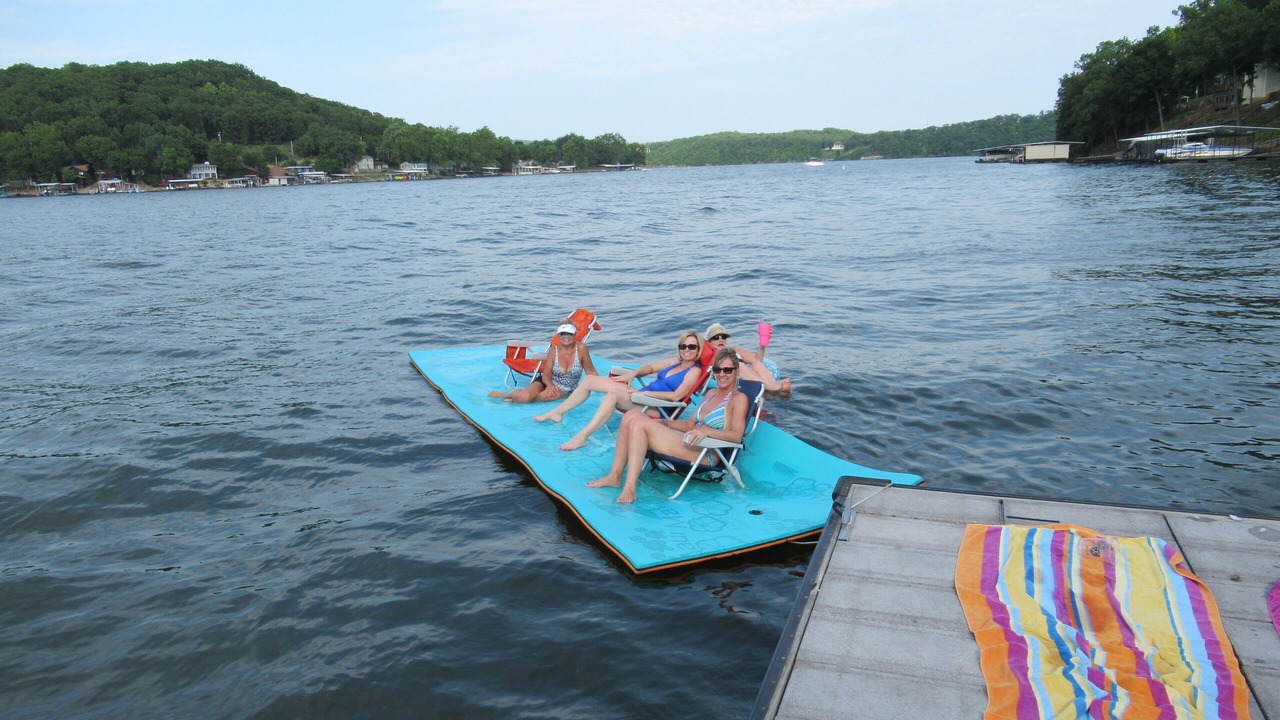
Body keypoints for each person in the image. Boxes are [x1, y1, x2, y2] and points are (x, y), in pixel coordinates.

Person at [587, 348, 749, 503]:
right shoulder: (711, 394)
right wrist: (664, 422)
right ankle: (615, 476)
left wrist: (707, 431)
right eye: (717, 369)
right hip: (691, 441)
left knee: (639, 423)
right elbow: (688, 424)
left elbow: (736, 436)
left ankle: (630, 488)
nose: (722, 374)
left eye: (727, 370)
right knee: (632, 415)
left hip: (707, 454)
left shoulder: (738, 399)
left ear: (736, 371)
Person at [533, 331, 708, 451]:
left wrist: (647, 394)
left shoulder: (694, 371)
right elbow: (651, 366)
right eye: (683, 346)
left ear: (698, 349)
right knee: (590, 380)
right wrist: (634, 373)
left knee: (614, 394)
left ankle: (582, 437)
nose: (686, 350)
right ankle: (556, 412)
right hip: (643, 395)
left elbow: (677, 396)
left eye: (691, 347)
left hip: (657, 406)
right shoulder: (676, 362)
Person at [489, 320, 598, 402]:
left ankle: (516, 400)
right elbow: (546, 375)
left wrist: (603, 385)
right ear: (558, 335)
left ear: (574, 335)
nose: (566, 337)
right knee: (524, 396)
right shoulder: (553, 350)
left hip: (565, 388)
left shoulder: (581, 349)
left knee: (541, 397)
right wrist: (550, 385)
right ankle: (505, 396)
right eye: (562, 334)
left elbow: (591, 372)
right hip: (546, 382)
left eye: (569, 334)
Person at [705, 322, 791, 394]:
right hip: (732, 380)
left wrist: (762, 343)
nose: (721, 340)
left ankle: (773, 388)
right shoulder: (711, 356)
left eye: (723, 337)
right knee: (739, 365)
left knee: (756, 364)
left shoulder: (735, 350)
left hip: (746, 378)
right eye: (716, 338)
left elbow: (757, 359)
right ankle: (770, 386)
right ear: (709, 342)